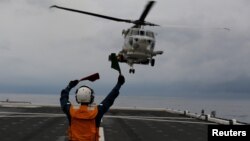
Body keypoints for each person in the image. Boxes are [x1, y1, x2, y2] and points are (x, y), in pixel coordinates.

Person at [60, 74, 125, 141]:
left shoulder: (70, 111)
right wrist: (119, 84)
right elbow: (110, 98)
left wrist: (69, 86)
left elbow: (63, 97)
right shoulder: (97, 111)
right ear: (90, 98)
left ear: (77, 97)